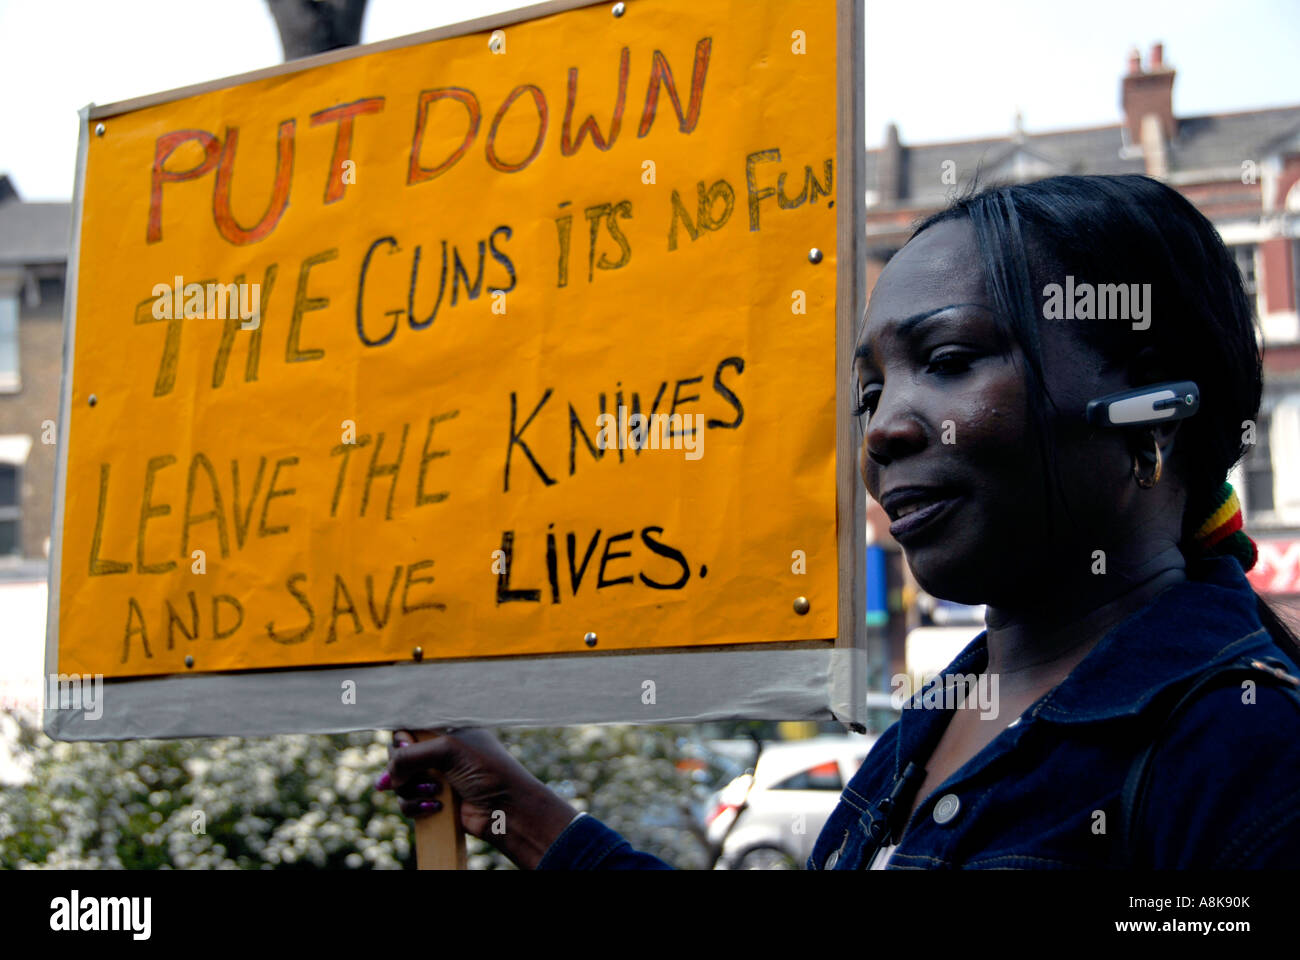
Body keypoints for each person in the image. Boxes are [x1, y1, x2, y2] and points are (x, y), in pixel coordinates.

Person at [377, 174, 1300, 869]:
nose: (886, 427)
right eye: (870, 391)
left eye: (946, 358)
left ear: (1152, 407)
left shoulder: (1247, 754)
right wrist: (521, 812)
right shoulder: (929, 730)